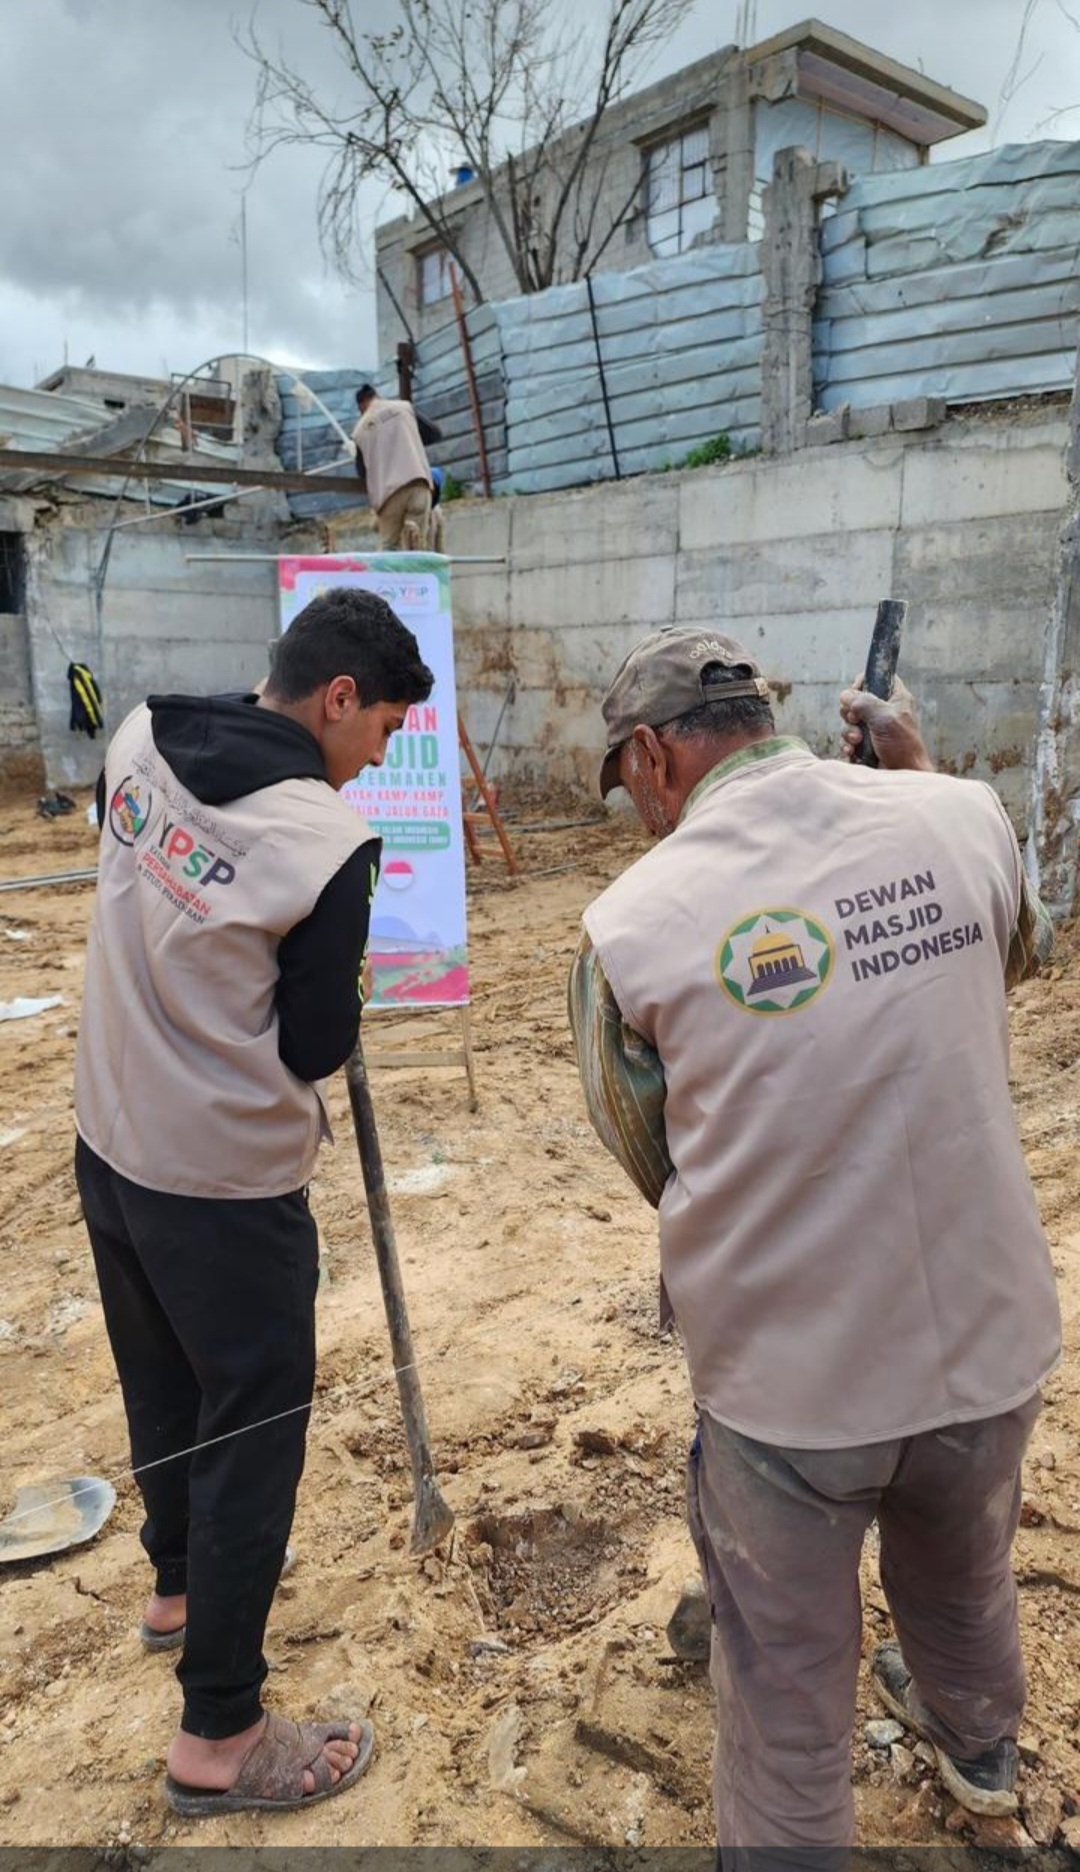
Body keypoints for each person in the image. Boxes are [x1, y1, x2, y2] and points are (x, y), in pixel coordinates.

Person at [568, 625, 1062, 1866]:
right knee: (963, 1562)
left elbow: (653, 1158)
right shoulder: (958, 815)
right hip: (988, 1331)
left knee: (785, 1674)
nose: (635, 808)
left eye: (627, 783)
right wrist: (921, 775)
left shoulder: (629, 926)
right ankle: (981, 1753)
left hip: (793, 1386)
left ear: (651, 757)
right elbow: (1017, 954)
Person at [75, 587, 434, 1817]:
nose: (379, 759)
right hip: (224, 1185)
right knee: (248, 1424)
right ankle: (219, 1736)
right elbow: (317, 1044)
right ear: (339, 699)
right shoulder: (317, 841)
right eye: (382, 730)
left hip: (108, 1142)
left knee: (162, 1379)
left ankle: (176, 1591)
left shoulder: (137, 736)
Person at [352, 384, 442, 551]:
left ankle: (390, 577)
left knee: (389, 549)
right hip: (418, 486)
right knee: (417, 546)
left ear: (361, 405)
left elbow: (362, 473)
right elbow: (434, 433)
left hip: (389, 497)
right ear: (376, 396)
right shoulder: (403, 408)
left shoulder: (360, 430)